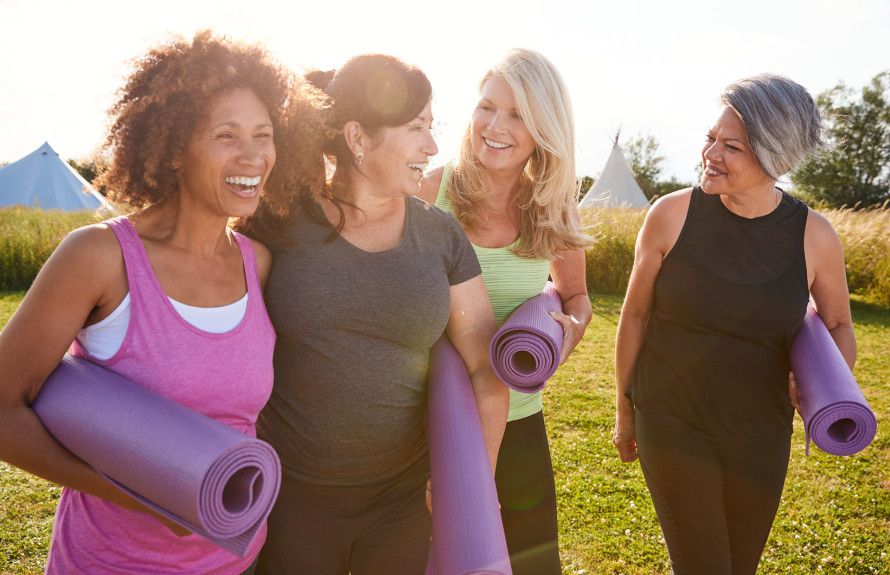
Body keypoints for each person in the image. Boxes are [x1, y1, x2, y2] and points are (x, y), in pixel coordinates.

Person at [0, 31, 305, 574]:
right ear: (174, 150)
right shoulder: (99, 257)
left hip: (235, 561)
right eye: (225, 135)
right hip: (112, 562)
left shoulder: (258, 264)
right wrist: (147, 493)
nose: (253, 155)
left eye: (264, 134)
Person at [245, 54, 509, 575]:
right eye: (415, 128)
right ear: (357, 138)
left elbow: (485, 368)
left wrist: (472, 483)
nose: (432, 147)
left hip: (402, 502)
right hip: (290, 495)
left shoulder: (439, 235)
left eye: (432, 128)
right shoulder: (276, 223)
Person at [612, 74, 856, 575]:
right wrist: (625, 408)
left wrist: (822, 385)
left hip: (761, 433)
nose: (710, 153)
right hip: (672, 418)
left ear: (775, 158)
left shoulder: (814, 236)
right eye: (710, 138)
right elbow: (634, 314)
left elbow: (838, 325)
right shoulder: (671, 215)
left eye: (731, 147)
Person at [418, 48, 592, 575]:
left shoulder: (552, 206)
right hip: (426, 421)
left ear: (544, 128)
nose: (495, 126)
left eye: (517, 115)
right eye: (487, 106)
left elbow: (576, 297)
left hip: (517, 422)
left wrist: (568, 332)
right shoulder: (431, 191)